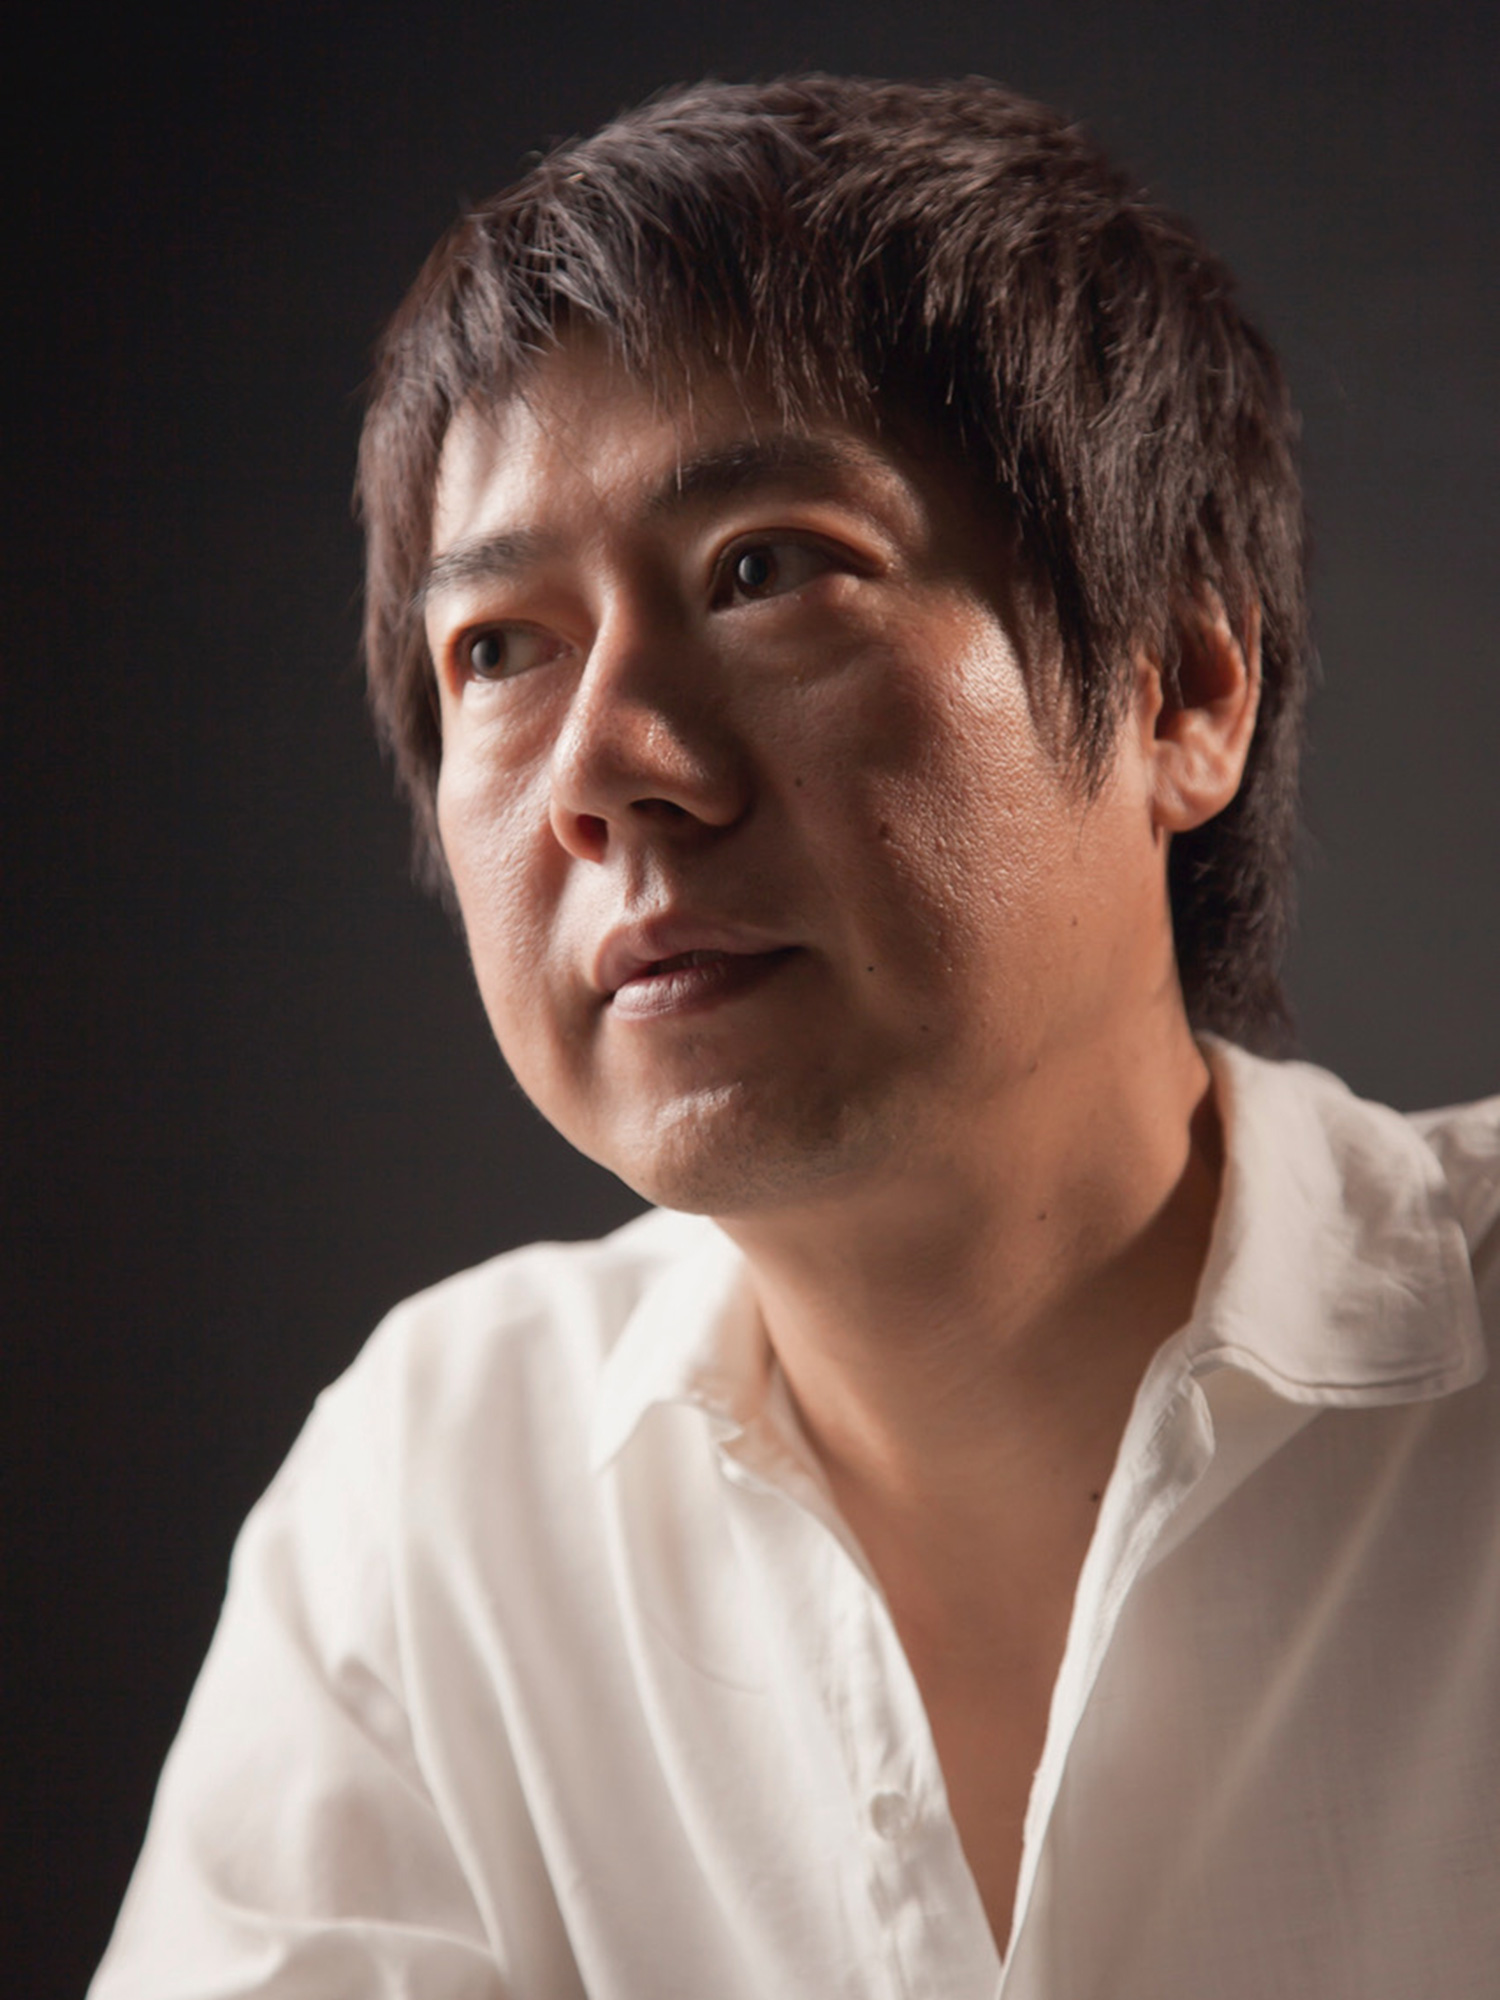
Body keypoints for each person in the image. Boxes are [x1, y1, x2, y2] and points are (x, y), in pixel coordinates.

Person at [91, 75, 1498, 1999]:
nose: (602, 773)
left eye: (767, 567)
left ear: (1184, 681)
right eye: (497, 647)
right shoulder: (433, 1494)